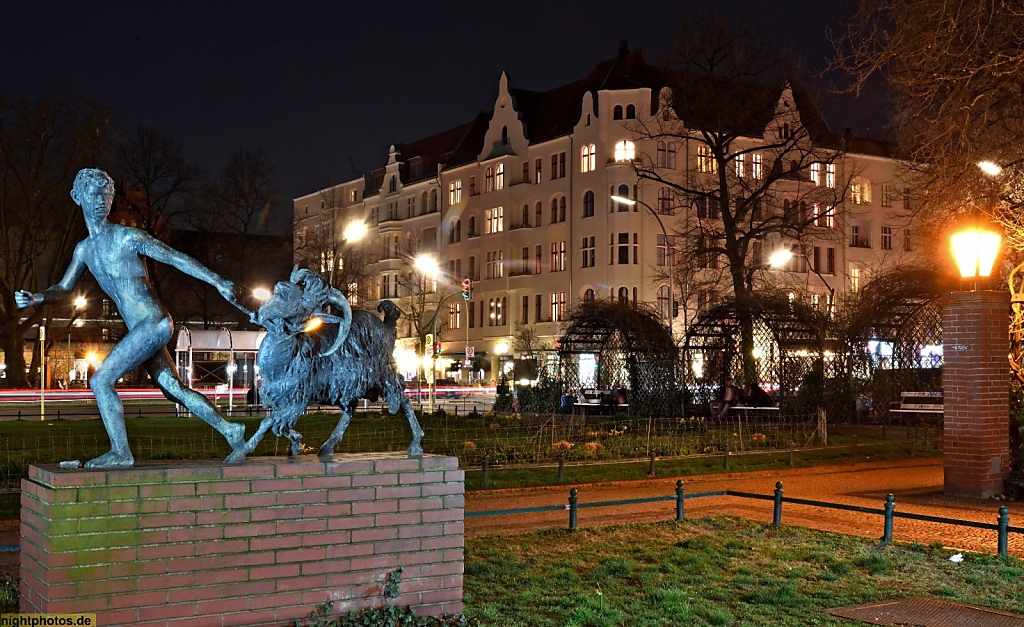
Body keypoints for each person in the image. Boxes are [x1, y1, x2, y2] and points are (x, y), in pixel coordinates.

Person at [15, 168, 247, 469]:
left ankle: (121, 452)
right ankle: (231, 430)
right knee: (173, 389)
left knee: (100, 382)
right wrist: (38, 297)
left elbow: (174, 257)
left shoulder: (127, 237)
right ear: (77, 198)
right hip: (144, 327)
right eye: (94, 195)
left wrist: (218, 281)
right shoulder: (84, 250)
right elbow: (63, 288)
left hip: (153, 322)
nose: (101, 201)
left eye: (107, 195)